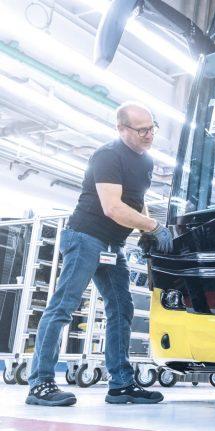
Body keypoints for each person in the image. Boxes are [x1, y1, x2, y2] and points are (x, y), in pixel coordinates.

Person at [26, 101, 173, 406]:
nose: (149, 135)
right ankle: (40, 384)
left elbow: (136, 200)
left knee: (121, 309)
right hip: (85, 238)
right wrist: (154, 226)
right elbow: (113, 207)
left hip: (112, 245)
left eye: (152, 128)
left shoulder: (145, 162)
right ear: (121, 129)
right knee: (63, 307)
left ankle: (121, 385)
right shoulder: (108, 156)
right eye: (142, 130)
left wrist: (145, 231)